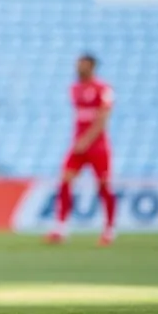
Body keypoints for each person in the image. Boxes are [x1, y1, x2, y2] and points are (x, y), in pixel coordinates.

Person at [47, 54, 116, 246]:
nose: (78, 68)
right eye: (77, 64)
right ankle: (60, 228)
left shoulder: (103, 89)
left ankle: (109, 230)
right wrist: (80, 141)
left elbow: (103, 119)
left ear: (92, 66)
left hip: (98, 147)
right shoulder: (75, 88)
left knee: (103, 185)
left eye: (82, 65)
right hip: (78, 146)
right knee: (65, 180)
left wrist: (86, 140)